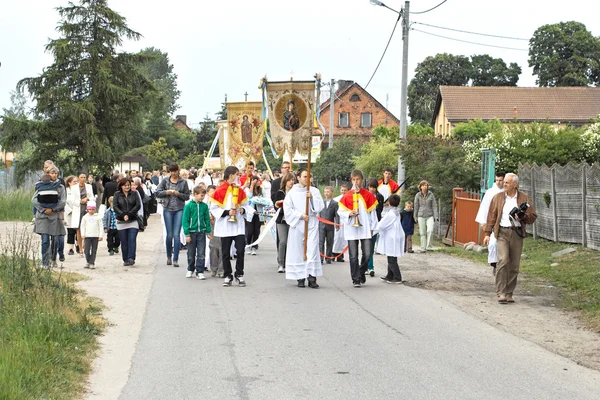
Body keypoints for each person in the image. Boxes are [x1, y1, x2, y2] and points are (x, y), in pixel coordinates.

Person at [483, 173, 537, 304]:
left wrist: (522, 217)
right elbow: (492, 216)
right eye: (504, 182)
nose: (504, 184)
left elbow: (533, 216)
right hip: (502, 232)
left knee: (514, 265)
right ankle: (501, 292)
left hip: (517, 233)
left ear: (515, 185)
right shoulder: (498, 197)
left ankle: (509, 293)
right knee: (503, 260)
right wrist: (487, 233)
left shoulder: (524, 198)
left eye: (507, 183)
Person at [209, 166, 253, 287]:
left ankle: (239, 274)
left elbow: (246, 205)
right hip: (225, 225)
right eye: (237, 174)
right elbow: (213, 208)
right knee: (225, 252)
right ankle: (228, 275)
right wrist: (228, 212)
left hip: (238, 225)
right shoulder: (219, 191)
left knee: (240, 250)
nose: (238, 176)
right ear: (231, 175)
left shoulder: (240, 190)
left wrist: (242, 210)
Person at [283, 168, 324, 288]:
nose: (307, 179)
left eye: (309, 177)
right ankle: (300, 277)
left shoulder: (314, 191)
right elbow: (288, 209)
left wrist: (311, 198)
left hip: (311, 224)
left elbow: (319, 207)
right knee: (298, 251)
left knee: (311, 250)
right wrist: (300, 215)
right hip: (298, 224)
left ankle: (311, 277)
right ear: (298, 178)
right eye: (304, 177)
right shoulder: (292, 193)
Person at [337, 170, 378, 287]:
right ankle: (356, 279)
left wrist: (373, 227)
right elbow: (340, 211)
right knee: (353, 255)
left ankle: (361, 271)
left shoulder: (368, 195)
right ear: (351, 181)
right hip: (351, 229)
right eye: (354, 180)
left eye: (358, 179)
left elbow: (373, 213)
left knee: (367, 253)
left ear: (362, 180)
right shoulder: (347, 196)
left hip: (365, 228)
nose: (356, 182)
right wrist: (350, 214)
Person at [156, 163, 190, 267]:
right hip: (167, 209)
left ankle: (175, 258)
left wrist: (178, 194)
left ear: (178, 171)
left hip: (179, 209)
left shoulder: (183, 182)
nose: (174, 173)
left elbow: (187, 196)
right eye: (172, 171)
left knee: (177, 234)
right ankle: (168, 257)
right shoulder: (165, 181)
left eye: (175, 171)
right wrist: (166, 192)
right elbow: (157, 192)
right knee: (169, 235)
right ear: (169, 172)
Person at [32, 168, 67, 268]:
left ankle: (53, 259)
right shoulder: (41, 185)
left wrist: (53, 209)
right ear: (48, 174)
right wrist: (43, 209)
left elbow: (63, 201)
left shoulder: (60, 187)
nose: (54, 175)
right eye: (52, 173)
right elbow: (34, 200)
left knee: (55, 239)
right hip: (43, 216)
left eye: (56, 173)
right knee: (45, 239)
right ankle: (45, 262)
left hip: (55, 215)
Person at [475, 172, 506, 275]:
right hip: (493, 222)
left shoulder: (507, 192)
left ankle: (504, 266)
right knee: (492, 244)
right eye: (497, 180)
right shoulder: (490, 192)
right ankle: (494, 265)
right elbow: (484, 207)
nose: (498, 182)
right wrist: (483, 222)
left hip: (505, 222)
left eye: (500, 180)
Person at [374, 194, 405, 283]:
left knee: (391, 257)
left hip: (391, 237)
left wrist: (372, 231)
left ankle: (397, 277)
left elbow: (381, 225)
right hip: (395, 236)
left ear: (389, 203)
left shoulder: (390, 214)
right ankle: (390, 275)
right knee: (391, 255)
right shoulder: (397, 212)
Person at [183, 186, 212, 280]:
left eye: (203, 196)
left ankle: (200, 271)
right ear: (195, 194)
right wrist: (187, 234)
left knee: (201, 252)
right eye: (201, 196)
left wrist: (208, 231)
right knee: (191, 253)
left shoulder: (204, 206)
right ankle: (190, 269)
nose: (203, 198)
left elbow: (207, 219)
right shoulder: (188, 206)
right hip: (191, 232)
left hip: (201, 232)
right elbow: (185, 220)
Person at [113, 178, 142, 266]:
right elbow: (115, 206)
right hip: (121, 221)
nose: (127, 187)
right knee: (124, 241)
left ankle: (131, 258)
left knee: (132, 240)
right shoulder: (117, 194)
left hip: (133, 220)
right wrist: (123, 215)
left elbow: (138, 205)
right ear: (121, 186)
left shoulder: (135, 193)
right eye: (125, 185)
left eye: (128, 185)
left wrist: (129, 214)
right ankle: (125, 259)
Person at [274, 172, 295, 273]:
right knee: (283, 241)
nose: (291, 182)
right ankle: (281, 263)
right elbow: (276, 206)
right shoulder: (280, 192)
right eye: (289, 180)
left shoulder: (296, 192)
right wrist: (281, 204)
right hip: (282, 219)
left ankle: (289, 262)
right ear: (285, 181)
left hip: (293, 220)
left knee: (292, 242)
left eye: (292, 180)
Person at [245, 175, 271, 255]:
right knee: (250, 231)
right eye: (255, 181)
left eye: (257, 181)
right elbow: (249, 197)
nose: (257, 182)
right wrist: (252, 185)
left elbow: (265, 200)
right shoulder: (248, 189)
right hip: (250, 214)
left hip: (259, 213)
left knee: (256, 231)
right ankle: (248, 245)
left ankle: (254, 246)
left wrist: (260, 201)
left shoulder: (261, 190)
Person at [414, 180, 438, 252]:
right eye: (423, 185)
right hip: (421, 215)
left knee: (430, 230)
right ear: (420, 187)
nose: (425, 187)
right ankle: (423, 247)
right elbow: (416, 206)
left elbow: (434, 205)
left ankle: (429, 246)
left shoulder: (431, 194)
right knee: (422, 232)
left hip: (430, 215)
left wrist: (435, 216)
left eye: (426, 185)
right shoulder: (417, 195)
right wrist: (415, 216)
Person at [367, 178, 384, 277]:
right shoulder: (363, 196)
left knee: (371, 246)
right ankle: (366, 266)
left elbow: (380, 210)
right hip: (365, 225)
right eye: (371, 187)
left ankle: (370, 267)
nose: (372, 189)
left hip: (375, 224)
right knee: (365, 247)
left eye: (374, 187)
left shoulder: (379, 197)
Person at [318, 186, 338, 265]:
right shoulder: (321, 202)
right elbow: (318, 213)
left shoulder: (335, 203)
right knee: (321, 242)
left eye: (328, 192)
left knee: (330, 242)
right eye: (325, 192)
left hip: (330, 225)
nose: (326, 193)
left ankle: (328, 257)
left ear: (332, 193)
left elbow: (337, 215)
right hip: (321, 225)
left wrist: (337, 224)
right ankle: (320, 258)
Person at [80, 202, 103, 269]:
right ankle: (88, 261)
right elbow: (82, 226)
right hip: (87, 236)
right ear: (87, 209)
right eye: (89, 209)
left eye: (92, 209)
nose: (91, 211)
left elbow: (100, 226)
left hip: (95, 236)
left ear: (95, 209)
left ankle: (92, 262)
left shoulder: (98, 217)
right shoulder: (85, 217)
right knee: (86, 250)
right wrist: (83, 234)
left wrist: (100, 235)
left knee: (94, 250)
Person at [206, 185, 223, 277]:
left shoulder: (219, 202)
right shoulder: (205, 203)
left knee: (222, 247)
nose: (213, 193)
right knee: (213, 247)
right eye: (211, 191)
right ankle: (213, 268)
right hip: (210, 225)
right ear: (207, 193)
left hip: (220, 224)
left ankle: (221, 269)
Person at [332, 184, 349, 262]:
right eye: (342, 190)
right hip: (337, 221)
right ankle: (333, 254)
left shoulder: (349, 199)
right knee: (336, 238)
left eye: (345, 190)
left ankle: (340, 256)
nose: (343, 192)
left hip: (346, 222)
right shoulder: (336, 200)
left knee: (343, 239)